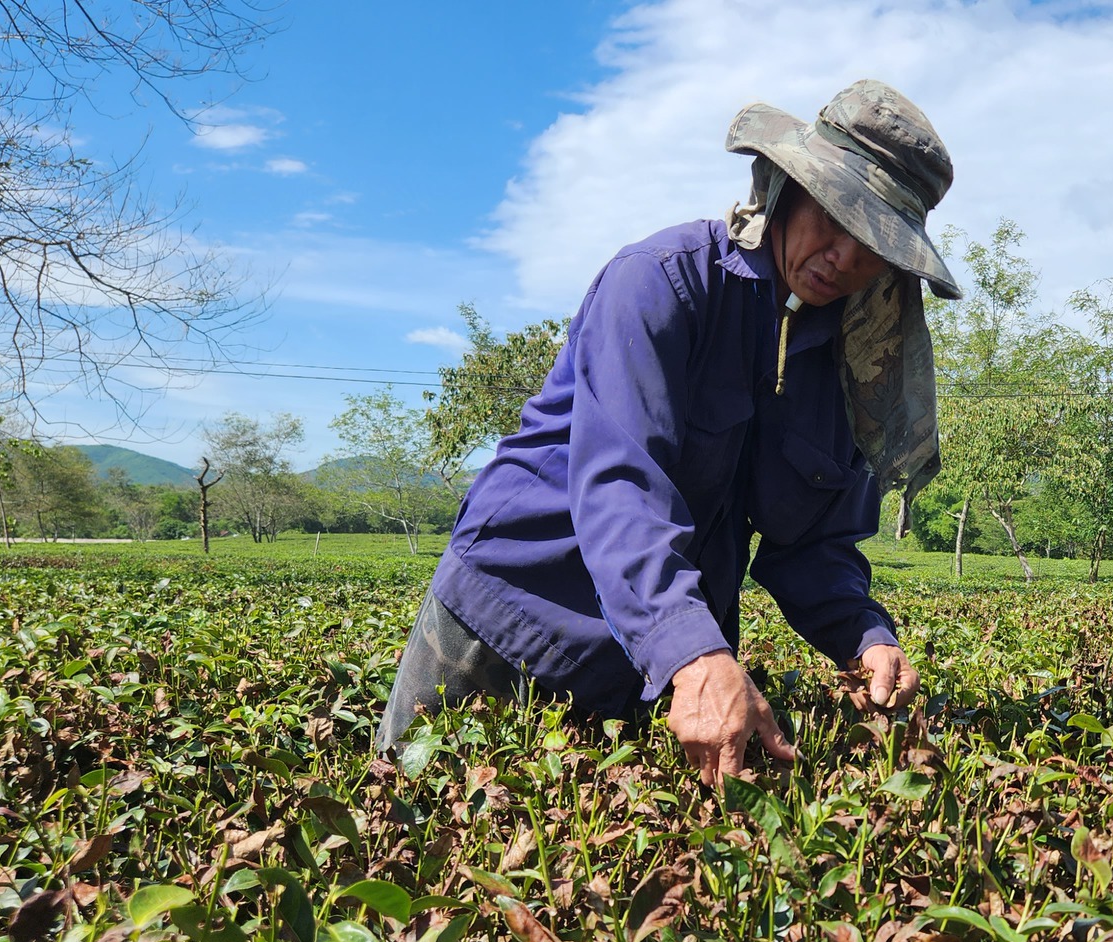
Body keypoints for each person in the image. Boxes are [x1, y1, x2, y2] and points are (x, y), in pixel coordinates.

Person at [377, 79, 960, 787]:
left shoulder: (847, 365)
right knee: (413, 827)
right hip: (510, 620)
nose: (843, 255)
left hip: (651, 657)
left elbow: (811, 542)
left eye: (872, 243)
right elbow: (621, 486)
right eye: (835, 218)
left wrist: (864, 636)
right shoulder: (658, 284)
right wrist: (692, 654)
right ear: (788, 189)